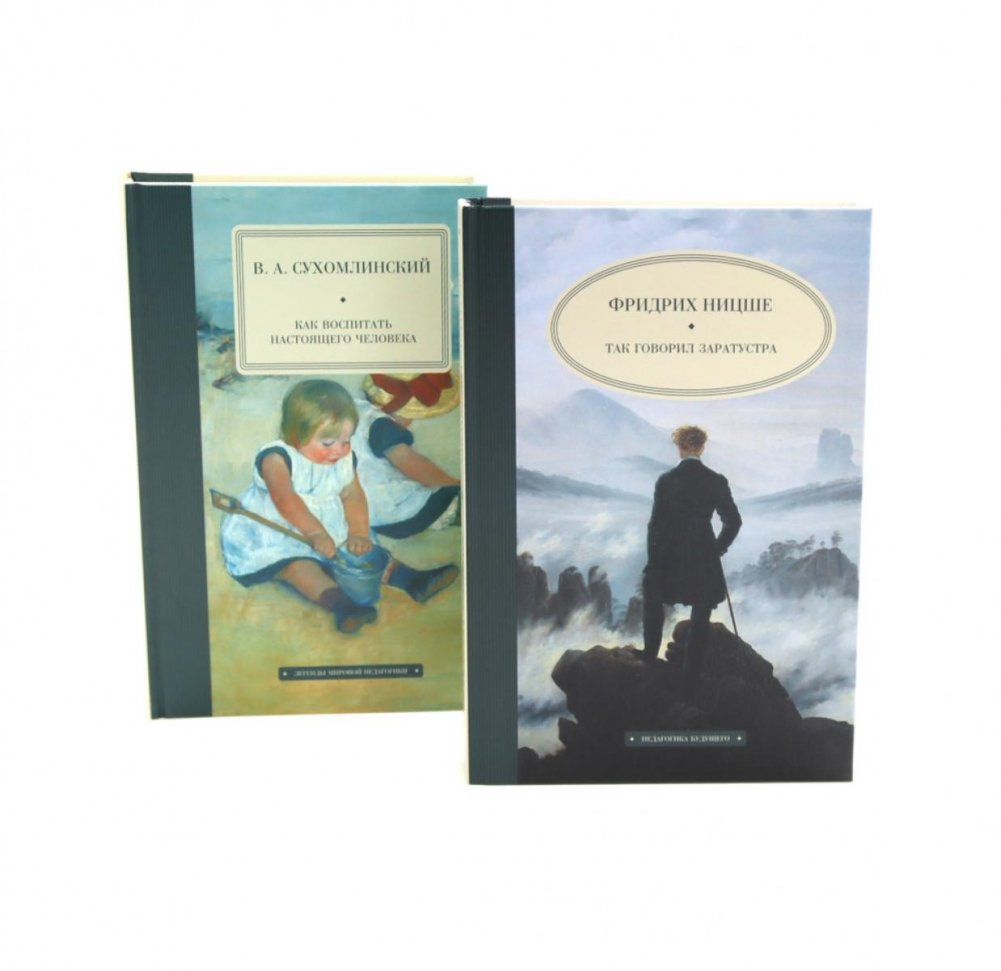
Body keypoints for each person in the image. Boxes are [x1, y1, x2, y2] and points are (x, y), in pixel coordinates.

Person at [220, 380, 458, 634]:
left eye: (346, 440)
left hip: (327, 526)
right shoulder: (276, 458)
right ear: (295, 435)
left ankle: (411, 580)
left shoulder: (344, 457)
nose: (340, 450)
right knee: (299, 568)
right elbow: (285, 500)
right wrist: (315, 533)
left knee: (363, 553)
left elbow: (352, 494)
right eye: (328, 443)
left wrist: (359, 533)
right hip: (276, 533)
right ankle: (342, 606)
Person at [642, 426, 742, 691]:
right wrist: (717, 548)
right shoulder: (716, 480)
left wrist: (653, 562)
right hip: (703, 559)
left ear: (679, 447)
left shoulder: (666, 480)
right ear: (702, 447)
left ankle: (649, 657)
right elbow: (733, 521)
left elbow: (655, 526)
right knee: (701, 619)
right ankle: (690, 683)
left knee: (652, 594)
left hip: (670, 558)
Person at [354, 372, 461, 538]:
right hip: (396, 514)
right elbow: (414, 465)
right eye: (413, 416)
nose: (411, 422)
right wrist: (454, 484)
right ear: (402, 410)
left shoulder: (354, 410)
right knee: (454, 494)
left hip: (363, 512)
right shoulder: (382, 426)